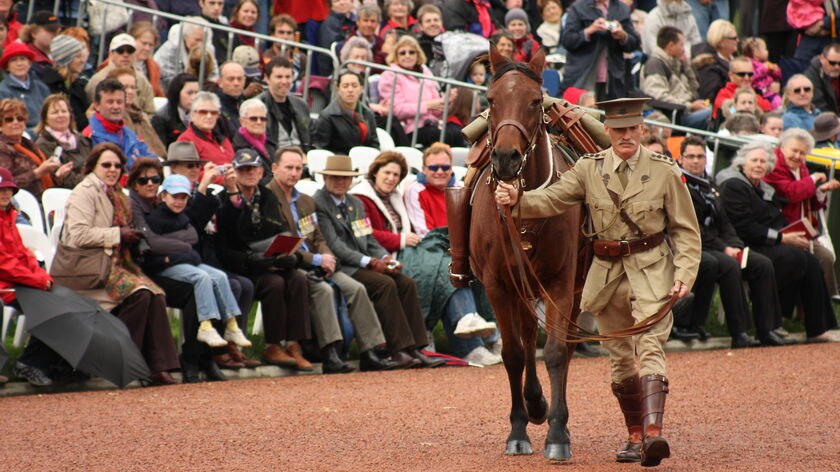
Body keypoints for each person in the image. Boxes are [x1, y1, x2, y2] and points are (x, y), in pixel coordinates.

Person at [495, 98, 701, 466]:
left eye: (631, 130)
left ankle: (654, 434)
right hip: (606, 273)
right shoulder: (588, 169)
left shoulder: (664, 171)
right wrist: (517, 199)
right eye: (618, 130)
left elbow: (686, 231)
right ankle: (635, 437)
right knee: (621, 357)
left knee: (649, 344)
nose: (625, 136)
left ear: (642, 131)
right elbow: (553, 198)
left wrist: (684, 274)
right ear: (607, 132)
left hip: (652, 268)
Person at [355, 149, 502, 365]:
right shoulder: (363, 198)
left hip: (421, 249)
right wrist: (401, 240)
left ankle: (483, 333)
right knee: (450, 267)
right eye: (386, 173)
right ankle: (472, 335)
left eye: (396, 175)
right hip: (399, 253)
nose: (391, 178)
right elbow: (370, 235)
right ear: (375, 172)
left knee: (471, 266)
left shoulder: (394, 196)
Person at [267, 146, 398, 372]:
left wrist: (326, 255)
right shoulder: (269, 198)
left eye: (298, 168)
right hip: (293, 264)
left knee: (356, 289)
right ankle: (331, 352)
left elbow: (317, 236)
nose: (294, 173)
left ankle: (370, 350)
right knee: (325, 291)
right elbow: (282, 240)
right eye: (289, 167)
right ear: (275, 168)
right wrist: (317, 259)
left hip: (323, 263)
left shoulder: (305, 201)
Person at [60, 143, 181, 385]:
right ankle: (117, 362)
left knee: (155, 294)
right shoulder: (83, 193)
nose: (112, 169)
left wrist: (134, 239)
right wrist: (117, 235)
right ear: (92, 166)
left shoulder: (120, 197)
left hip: (114, 264)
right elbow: (77, 236)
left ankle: (156, 366)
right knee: (140, 294)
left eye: (117, 165)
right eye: (106, 165)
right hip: (85, 267)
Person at [314, 155, 444, 369]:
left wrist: (384, 257)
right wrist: (370, 261)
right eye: (335, 177)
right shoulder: (319, 202)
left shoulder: (353, 202)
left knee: (406, 282)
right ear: (326, 178)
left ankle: (417, 348)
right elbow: (335, 245)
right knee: (385, 285)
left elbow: (368, 238)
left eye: (345, 178)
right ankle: (398, 349)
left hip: (365, 260)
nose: (340, 181)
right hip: (344, 265)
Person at [717, 142, 837, 343]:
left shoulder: (763, 188)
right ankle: (773, 321)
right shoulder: (734, 185)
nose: (758, 165)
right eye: (754, 160)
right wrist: (782, 237)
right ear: (742, 163)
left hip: (766, 243)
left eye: (763, 161)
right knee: (794, 258)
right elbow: (744, 227)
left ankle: (818, 327)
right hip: (744, 245)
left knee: (811, 260)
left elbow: (776, 218)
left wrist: (792, 233)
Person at [215, 149, 314, 371]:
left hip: (269, 260)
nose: (250, 173)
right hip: (242, 266)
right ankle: (273, 345)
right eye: (244, 169)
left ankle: (294, 344)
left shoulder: (267, 196)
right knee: (275, 283)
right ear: (234, 172)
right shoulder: (223, 199)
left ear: (262, 171)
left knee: (298, 276)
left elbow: (279, 230)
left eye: (254, 168)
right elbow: (223, 246)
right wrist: (252, 258)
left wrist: (290, 255)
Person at [679, 136, 782, 347]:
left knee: (761, 264)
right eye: (691, 156)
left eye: (700, 156)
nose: (696, 161)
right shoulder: (679, 184)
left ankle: (766, 329)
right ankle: (739, 332)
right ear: (681, 159)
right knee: (728, 265)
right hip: (696, 244)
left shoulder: (709, 184)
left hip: (719, 243)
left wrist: (736, 245)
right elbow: (692, 227)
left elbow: (724, 221)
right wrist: (724, 248)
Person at [165, 141, 259, 370]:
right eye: (188, 166)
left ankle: (230, 344)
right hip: (183, 262)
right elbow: (189, 223)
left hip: (208, 258)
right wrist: (203, 187)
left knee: (245, 285)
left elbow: (229, 225)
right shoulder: (169, 192)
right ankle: (214, 352)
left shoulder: (206, 192)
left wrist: (231, 190)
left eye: (196, 165)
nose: (194, 170)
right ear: (174, 167)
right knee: (233, 285)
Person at [144, 174, 252, 349]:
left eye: (183, 197)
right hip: (166, 266)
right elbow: (155, 247)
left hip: (185, 262)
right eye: (174, 196)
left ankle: (231, 324)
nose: (179, 202)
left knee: (220, 276)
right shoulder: (156, 218)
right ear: (163, 196)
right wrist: (182, 246)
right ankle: (206, 325)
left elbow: (193, 237)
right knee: (202, 277)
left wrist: (176, 244)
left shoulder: (182, 216)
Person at [764, 128, 840, 300]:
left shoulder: (802, 168)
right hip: (781, 230)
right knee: (808, 260)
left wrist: (821, 190)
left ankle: (822, 305)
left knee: (826, 258)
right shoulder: (773, 164)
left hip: (804, 230)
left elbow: (810, 200)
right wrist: (812, 180)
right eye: (794, 151)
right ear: (782, 147)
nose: (798, 156)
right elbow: (791, 193)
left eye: (802, 153)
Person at [0, 167, 56, 387]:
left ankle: (43, 363)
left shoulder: (9, 215)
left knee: (60, 302)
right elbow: (4, 264)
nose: (5, 194)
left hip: (16, 282)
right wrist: (38, 280)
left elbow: (22, 253)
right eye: (0, 190)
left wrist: (41, 274)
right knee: (48, 308)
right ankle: (29, 363)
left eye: (8, 189)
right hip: (6, 285)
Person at [378, 35, 459, 147]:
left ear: (417, 55)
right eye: (402, 53)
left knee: (458, 133)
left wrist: (446, 101)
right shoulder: (390, 76)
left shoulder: (425, 72)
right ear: (396, 56)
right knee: (439, 135)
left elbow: (437, 111)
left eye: (412, 52)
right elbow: (397, 110)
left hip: (434, 124)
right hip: (409, 128)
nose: (407, 56)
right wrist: (427, 106)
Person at [560, 0, 639, 101]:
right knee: (582, 114)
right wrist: (589, 31)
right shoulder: (577, 7)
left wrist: (622, 35)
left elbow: (634, 43)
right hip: (583, 76)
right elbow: (567, 40)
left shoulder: (622, 9)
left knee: (610, 115)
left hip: (614, 77)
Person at [641, 26, 711, 130]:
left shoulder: (677, 62)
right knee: (711, 113)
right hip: (675, 116)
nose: (684, 49)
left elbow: (695, 89)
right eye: (682, 45)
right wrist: (689, 106)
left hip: (687, 110)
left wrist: (687, 65)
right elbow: (659, 97)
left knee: (716, 110)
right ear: (671, 46)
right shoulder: (654, 64)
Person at [0, 98, 69, 199]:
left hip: (45, 197)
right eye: (9, 119)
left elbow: (44, 177)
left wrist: (57, 176)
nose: (16, 122)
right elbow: (5, 184)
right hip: (21, 203)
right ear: (1, 125)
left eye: (20, 118)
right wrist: (37, 173)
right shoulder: (2, 149)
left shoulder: (29, 144)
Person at [83, 79, 156, 170]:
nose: (115, 107)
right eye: (110, 102)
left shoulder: (130, 135)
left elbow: (152, 161)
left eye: (119, 102)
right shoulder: (89, 137)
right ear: (97, 105)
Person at [86, 34, 156, 116]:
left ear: (134, 54)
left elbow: (150, 112)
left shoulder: (142, 80)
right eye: (120, 51)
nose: (125, 55)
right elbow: (91, 109)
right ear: (111, 54)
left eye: (130, 51)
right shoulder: (97, 80)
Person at [34, 93, 92, 190]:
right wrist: (93, 182)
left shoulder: (82, 139)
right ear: (45, 119)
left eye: (64, 111)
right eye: (55, 112)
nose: (60, 115)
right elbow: (63, 177)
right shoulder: (43, 144)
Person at [313, 69, 379, 155]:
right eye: (345, 86)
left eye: (354, 86)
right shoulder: (327, 116)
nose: (350, 90)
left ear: (361, 89)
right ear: (338, 89)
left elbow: (374, 143)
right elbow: (321, 149)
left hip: (364, 162)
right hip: (339, 164)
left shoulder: (368, 113)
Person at [107, 67, 167, 158]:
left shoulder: (140, 115)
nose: (130, 91)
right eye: (125, 87)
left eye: (133, 87)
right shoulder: (111, 116)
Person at [258, 56, 312, 151]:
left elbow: (312, 135)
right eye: (279, 77)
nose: (284, 81)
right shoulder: (257, 106)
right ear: (267, 78)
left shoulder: (301, 105)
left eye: (288, 77)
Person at [39, 34, 90, 131]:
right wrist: (87, 117)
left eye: (82, 56)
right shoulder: (48, 86)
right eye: (78, 56)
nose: (82, 60)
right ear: (66, 60)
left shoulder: (77, 85)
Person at [177, 91, 235, 174]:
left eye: (214, 113)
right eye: (203, 112)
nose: (209, 116)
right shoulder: (186, 140)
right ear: (192, 114)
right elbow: (189, 175)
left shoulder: (223, 140)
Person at [155, 18, 218, 89]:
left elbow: (214, 75)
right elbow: (167, 77)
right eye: (197, 40)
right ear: (186, 37)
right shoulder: (172, 48)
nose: (200, 44)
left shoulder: (208, 49)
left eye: (203, 40)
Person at [0, 42, 51, 131]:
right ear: (7, 67)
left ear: (30, 63)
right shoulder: (2, 91)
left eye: (22, 59)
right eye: (14, 60)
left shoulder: (42, 87)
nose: (19, 63)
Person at [691, 19, 738, 102]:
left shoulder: (733, 57)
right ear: (722, 42)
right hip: (726, 109)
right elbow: (711, 99)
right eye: (734, 38)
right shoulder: (709, 65)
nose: (738, 40)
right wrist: (733, 111)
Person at [232, 98, 276, 185]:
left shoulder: (270, 144)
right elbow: (253, 180)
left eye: (263, 119)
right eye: (254, 118)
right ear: (242, 121)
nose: (259, 122)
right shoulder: (239, 147)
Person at [151, 73, 199, 148]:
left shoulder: (201, 114)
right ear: (177, 93)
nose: (194, 97)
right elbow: (161, 149)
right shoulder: (161, 118)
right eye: (189, 93)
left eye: (197, 93)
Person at [317, 0, 357, 76]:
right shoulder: (330, 23)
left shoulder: (353, 21)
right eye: (336, 1)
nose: (341, 3)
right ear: (330, 5)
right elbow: (331, 51)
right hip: (334, 71)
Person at [742, 36, 782, 110]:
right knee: (776, 102)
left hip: (769, 92)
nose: (767, 51)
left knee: (778, 101)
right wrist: (764, 68)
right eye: (765, 49)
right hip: (759, 92)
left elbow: (778, 77)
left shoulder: (766, 63)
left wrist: (776, 70)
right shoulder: (749, 63)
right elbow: (752, 76)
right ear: (756, 53)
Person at [129, 22, 165, 98]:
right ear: (132, 40)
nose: (147, 48)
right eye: (144, 43)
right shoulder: (119, 62)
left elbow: (158, 94)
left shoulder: (154, 67)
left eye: (151, 45)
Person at [804, 42, 840, 115]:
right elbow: (819, 106)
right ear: (822, 59)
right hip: (829, 119)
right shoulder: (811, 77)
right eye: (832, 63)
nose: (837, 67)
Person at [414, 3, 447, 77]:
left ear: (441, 22)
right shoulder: (416, 46)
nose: (433, 24)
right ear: (420, 26)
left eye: (436, 20)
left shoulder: (449, 43)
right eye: (428, 21)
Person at [199, 0, 230, 66]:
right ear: (201, 3)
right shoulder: (194, 26)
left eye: (220, 4)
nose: (216, 8)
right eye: (212, 3)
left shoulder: (226, 29)